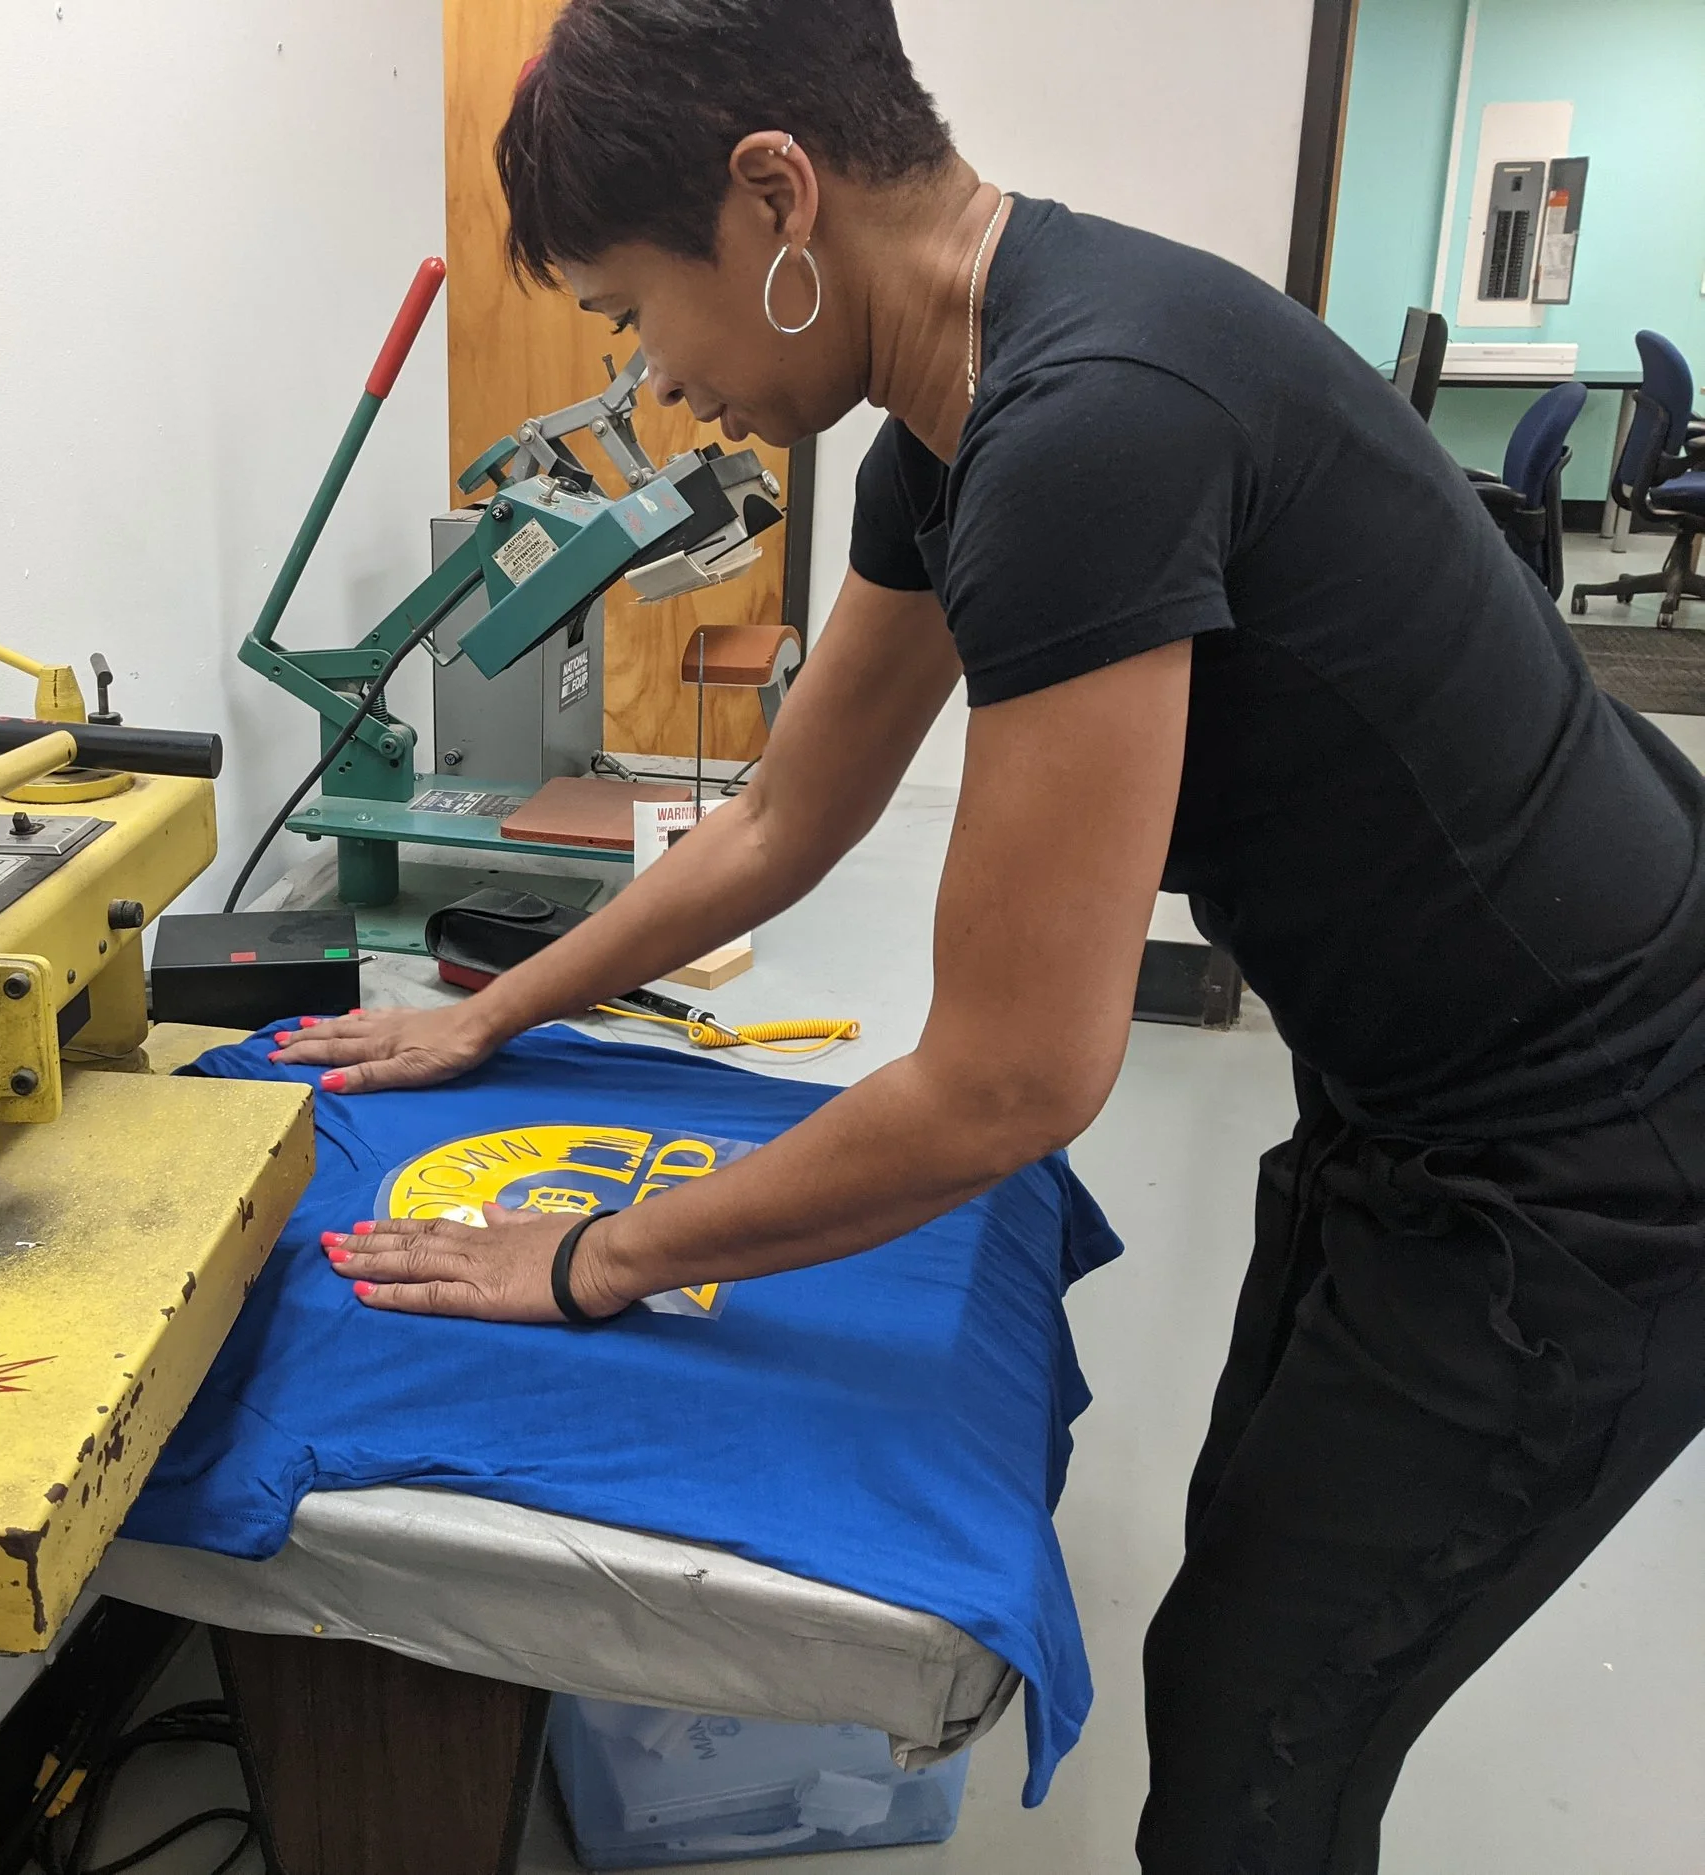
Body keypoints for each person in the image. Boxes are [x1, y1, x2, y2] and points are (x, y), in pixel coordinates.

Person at [269, 1, 1705, 1868]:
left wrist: (594, 1257)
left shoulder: (1091, 428)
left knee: (1264, 1743)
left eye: (638, 312)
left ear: (776, 195)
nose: (664, 381)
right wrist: (492, 1012)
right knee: (1235, 1636)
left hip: (1598, 1145)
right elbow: (786, 814)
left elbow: (1012, 1081)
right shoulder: (966, 417)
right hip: (1415, 1086)